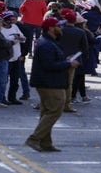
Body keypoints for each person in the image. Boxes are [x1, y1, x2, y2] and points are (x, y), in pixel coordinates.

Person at [25, 17, 80, 152]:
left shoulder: (49, 43)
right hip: (50, 83)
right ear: (51, 28)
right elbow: (48, 65)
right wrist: (68, 63)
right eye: (58, 26)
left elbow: (51, 61)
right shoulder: (46, 44)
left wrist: (65, 60)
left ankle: (45, 142)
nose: (61, 29)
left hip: (49, 81)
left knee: (47, 111)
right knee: (55, 110)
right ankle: (35, 138)